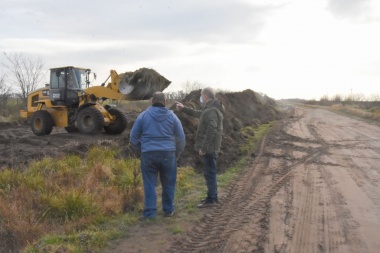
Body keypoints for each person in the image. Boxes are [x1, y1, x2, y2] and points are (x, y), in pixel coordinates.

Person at [130, 92, 186, 219]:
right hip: (168, 154)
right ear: (165, 101)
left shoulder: (143, 116)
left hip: (148, 154)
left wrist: (142, 149)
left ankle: (150, 212)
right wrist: (177, 153)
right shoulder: (172, 117)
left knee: (149, 183)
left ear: (151, 101)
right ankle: (168, 210)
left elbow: (133, 137)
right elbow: (181, 138)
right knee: (169, 182)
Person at [175, 87, 224, 208]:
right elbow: (199, 114)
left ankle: (211, 199)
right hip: (211, 147)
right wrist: (184, 108)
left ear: (206, 96)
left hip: (210, 148)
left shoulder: (212, 110)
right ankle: (212, 196)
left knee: (209, 173)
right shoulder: (210, 109)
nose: (201, 98)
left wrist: (204, 148)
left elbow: (212, 130)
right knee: (209, 172)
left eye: (202, 96)